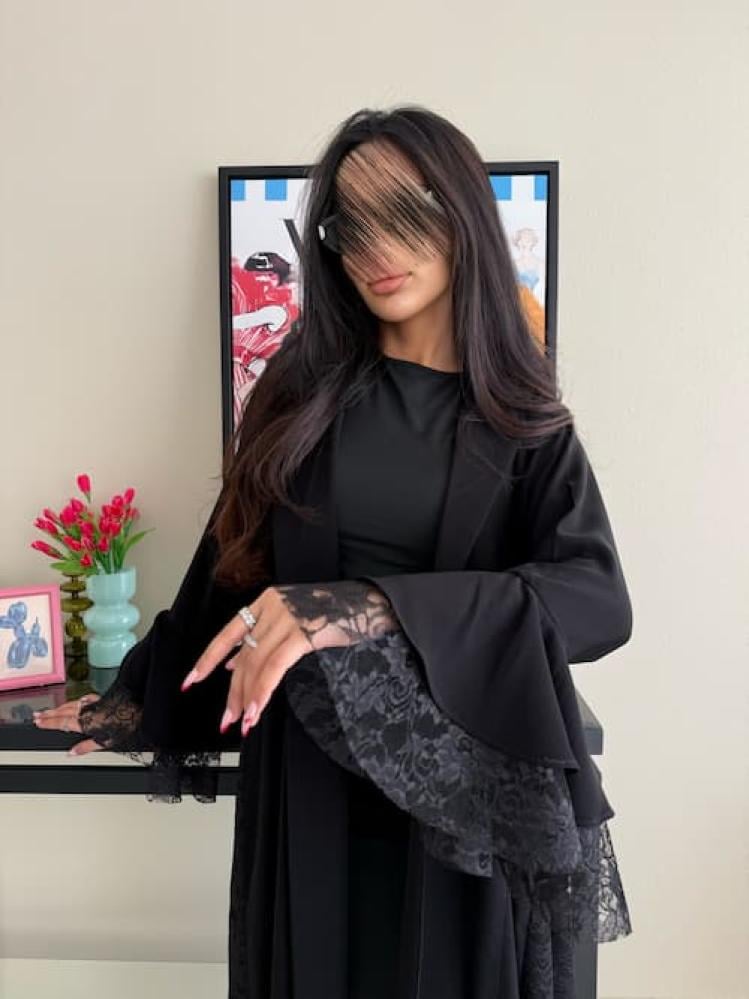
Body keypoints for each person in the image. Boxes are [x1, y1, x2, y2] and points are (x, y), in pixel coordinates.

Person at [33, 105, 634, 999]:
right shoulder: (299, 390)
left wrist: (365, 604)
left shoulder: (518, 416)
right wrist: (134, 699)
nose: (375, 247)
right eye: (350, 225)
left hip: (457, 800)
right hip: (307, 791)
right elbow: (230, 572)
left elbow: (595, 601)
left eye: (403, 210)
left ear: (460, 212)